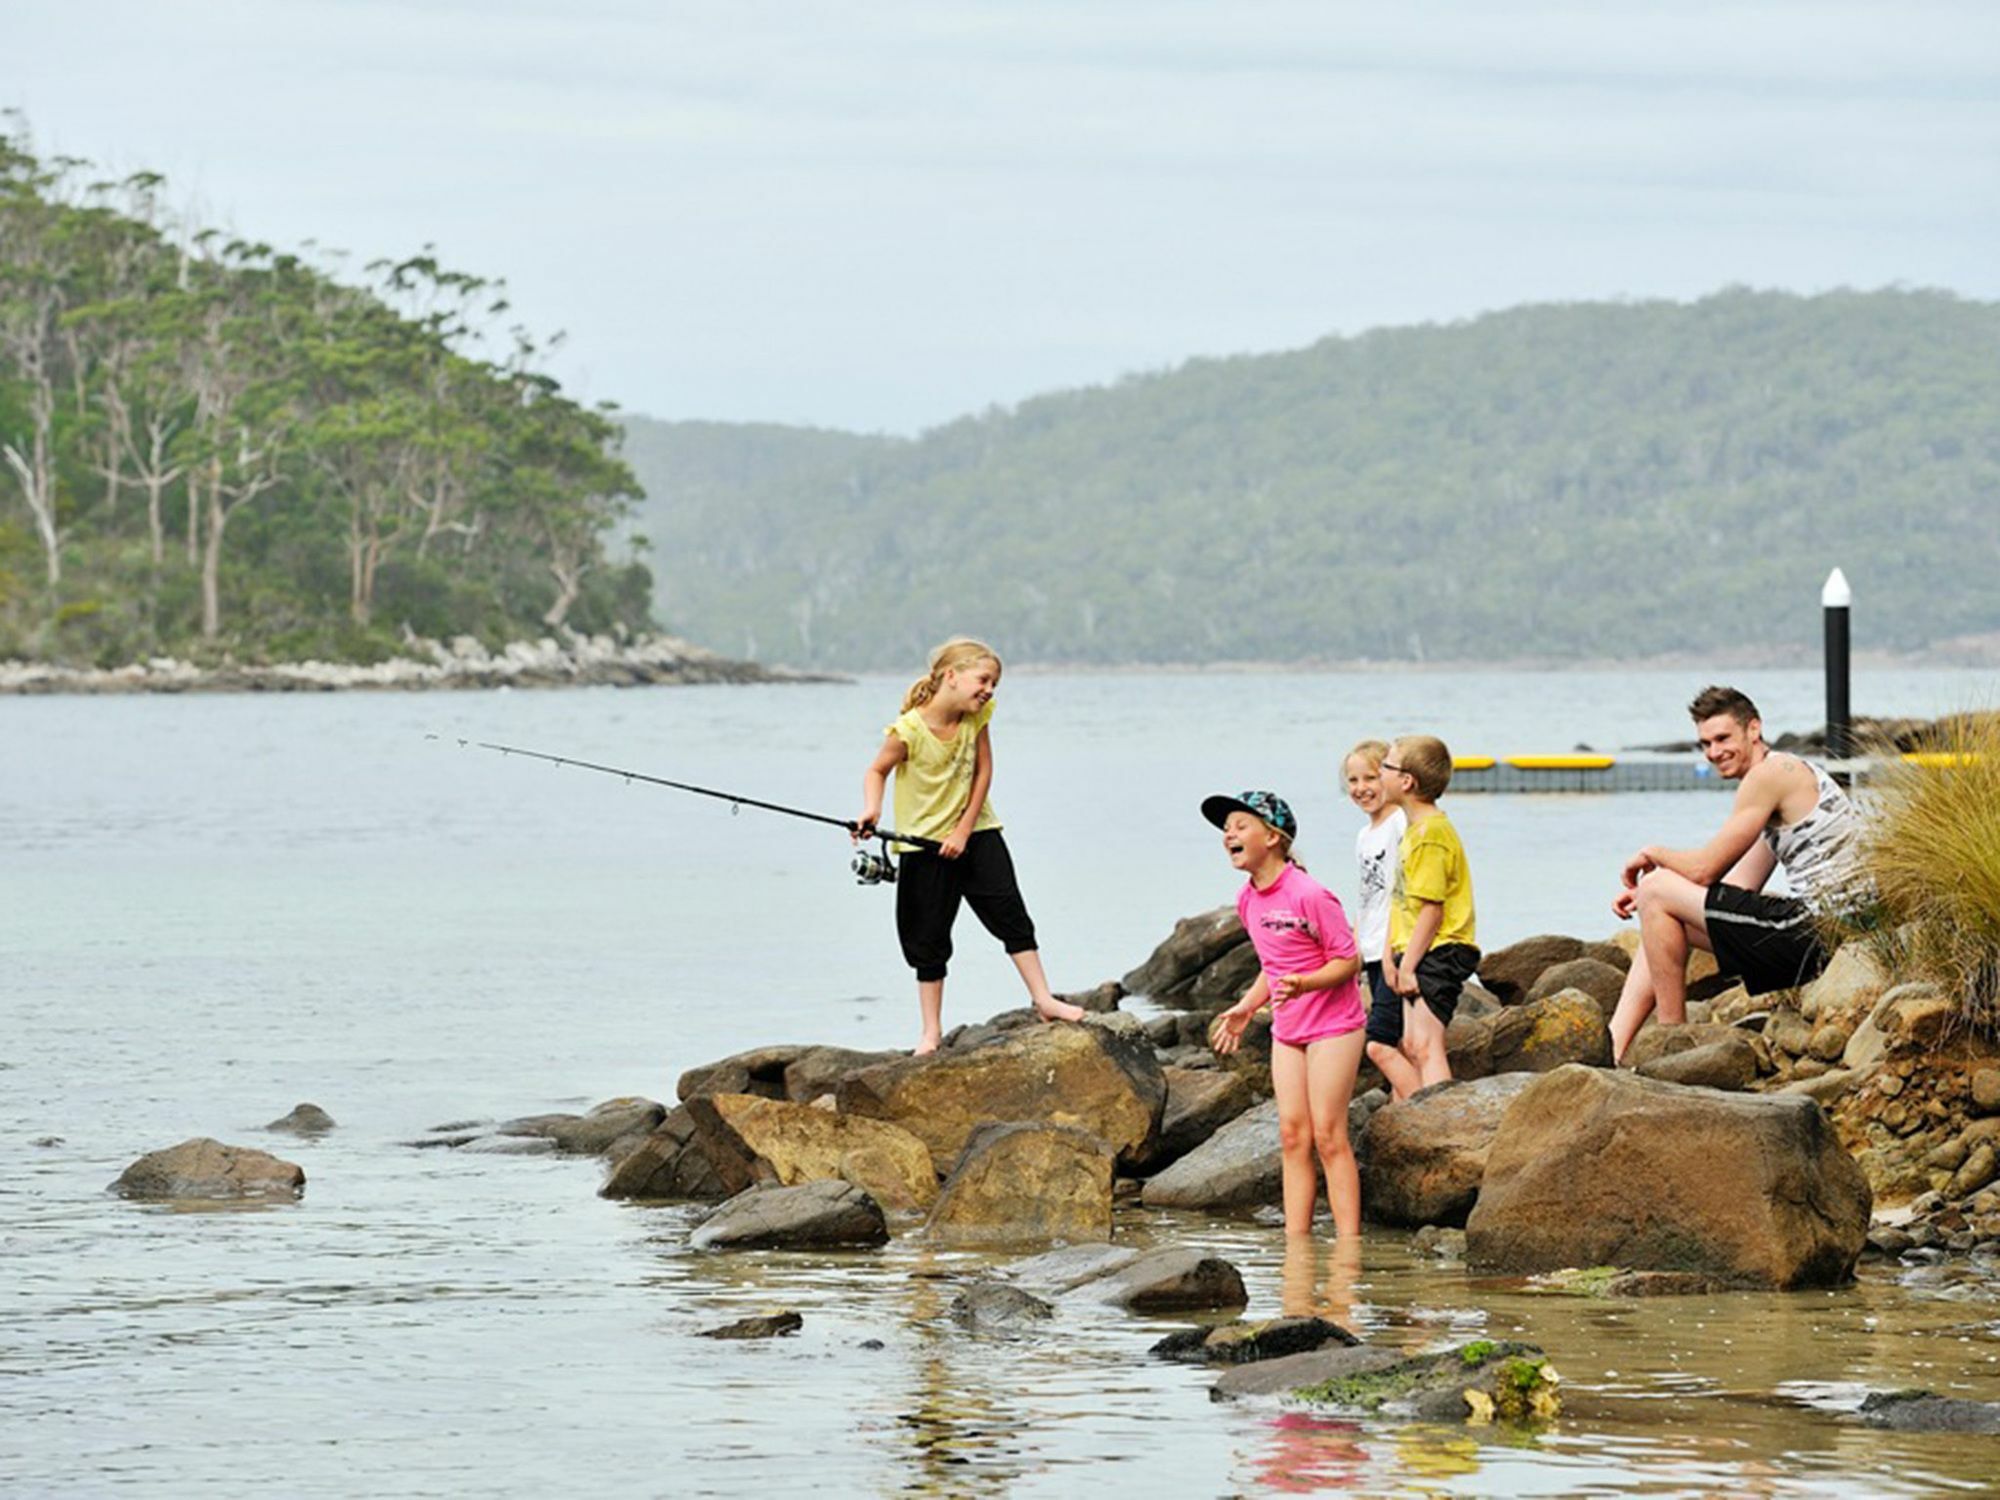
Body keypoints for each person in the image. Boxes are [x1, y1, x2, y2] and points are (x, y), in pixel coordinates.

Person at [1608, 684, 1870, 1064]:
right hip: (1829, 936)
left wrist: (1654, 857)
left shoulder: (1768, 776)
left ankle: (1672, 1043)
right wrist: (1659, 901)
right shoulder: (1784, 777)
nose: (1714, 752)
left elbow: (1703, 870)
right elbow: (1735, 888)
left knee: (1657, 888)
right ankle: (1614, 1048)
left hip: (1824, 932)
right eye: (1705, 744)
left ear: (1753, 729)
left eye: (1722, 738)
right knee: (1660, 907)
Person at [855, 637, 1085, 1055]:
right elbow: (876, 770)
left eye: (994, 683)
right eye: (983, 680)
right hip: (922, 847)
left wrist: (963, 830)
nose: (989, 690)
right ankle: (930, 1033)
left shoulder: (977, 718)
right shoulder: (908, 731)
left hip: (977, 834)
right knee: (926, 940)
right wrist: (871, 811)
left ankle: (1044, 999)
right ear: (951, 676)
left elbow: (983, 773)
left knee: (1011, 916)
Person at [1205, 791, 1367, 1239]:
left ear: (1273, 837)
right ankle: (1297, 1246)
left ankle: (1347, 1248)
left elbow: (1348, 960)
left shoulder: (1310, 894)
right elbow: (1272, 964)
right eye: (1226, 829)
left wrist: (1307, 983)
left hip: (1335, 1027)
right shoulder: (1247, 899)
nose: (1228, 834)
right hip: (1289, 1030)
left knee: (1328, 1135)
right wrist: (1247, 1005)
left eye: (1240, 825)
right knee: (1293, 1136)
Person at [1379, 735, 1480, 1094]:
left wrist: (1408, 966)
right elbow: (1401, 902)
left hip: (1441, 949)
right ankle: (1421, 1117)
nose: (1379, 770)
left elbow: (1431, 911)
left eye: (1386, 765)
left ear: (1407, 781)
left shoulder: (1430, 835)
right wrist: (1392, 957)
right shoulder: (1414, 831)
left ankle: (1442, 1122)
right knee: (1410, 1043)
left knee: (1425, 1044)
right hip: (1419, 950)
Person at [1346, 740, 1414, 1099]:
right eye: (1353, 780)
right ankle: (1403, 1112)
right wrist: (1354, 953)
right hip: (1371, 951)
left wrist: (1391, 954)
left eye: (1370, 777)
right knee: (1400, 1043)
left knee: (1379, 1043)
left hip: (1395, 950)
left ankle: (1427, 1108)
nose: (1361, 788)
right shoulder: (1364, 835)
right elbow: (1367, 897)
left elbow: (1402, 896)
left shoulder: (1400, 823)